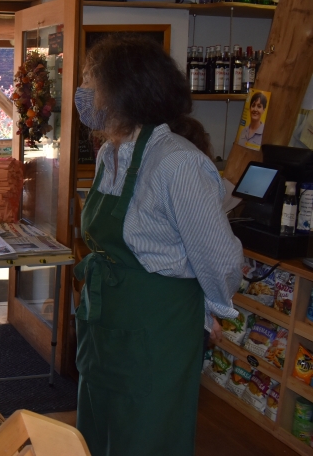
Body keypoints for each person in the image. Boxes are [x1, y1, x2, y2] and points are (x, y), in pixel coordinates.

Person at [73, 35, 242, 456]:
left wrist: (212, 310)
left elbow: (218, 257)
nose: (82, 93)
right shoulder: (110, 153)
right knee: (100, 422)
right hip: (107, 319)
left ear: (123, 88)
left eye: (90, 80)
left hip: (157, 325)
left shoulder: (177, 161)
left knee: (148, 432)